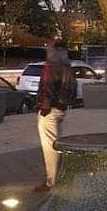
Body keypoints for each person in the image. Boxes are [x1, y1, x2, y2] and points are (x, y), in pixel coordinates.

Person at [35, 42, 76, 192]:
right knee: (57, 145)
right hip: (61, 109)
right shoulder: (66, 66)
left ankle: (51, 181)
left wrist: (44, 107)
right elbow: (71, 89)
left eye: (49, 46)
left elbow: (46, 88)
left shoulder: (51, 67)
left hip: (50, 110)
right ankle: (62, 176)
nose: (46, 48)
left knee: (50, 148)